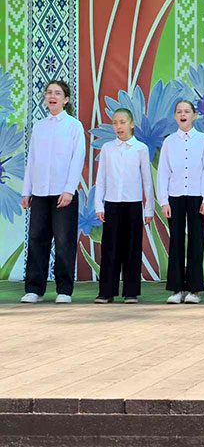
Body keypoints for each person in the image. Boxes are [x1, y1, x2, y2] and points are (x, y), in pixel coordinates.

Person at [20, 81, 86, 304]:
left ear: (66, 100)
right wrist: (26, 191)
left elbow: (77, 159)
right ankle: (34, 289)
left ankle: (64, 290)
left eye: (57, 93)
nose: (52, 96)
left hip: (63, 194)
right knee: (37, 239)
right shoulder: (39, 127)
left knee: (64, 242)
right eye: (49, 92)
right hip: (40, 192)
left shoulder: (74, 126)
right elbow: (32, 160)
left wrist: (69, 190)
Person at [157, 100, 204, 304]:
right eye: (179, 112)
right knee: (176, 242)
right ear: (175, 116)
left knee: (196, 241)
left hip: (198, 196)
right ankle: (176, 289)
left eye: (187, 111)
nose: (183, 115)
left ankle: (194, 289)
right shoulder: (169, 142)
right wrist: (163, 201)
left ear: (194, 115)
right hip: (175, 197)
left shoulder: (203, 140)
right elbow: (163, 172)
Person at [94, 108, 154, 304]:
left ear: (131, 124)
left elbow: (147, 181)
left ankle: (131, 292)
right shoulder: (107, 148)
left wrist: (149, 208)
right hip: (112, 204)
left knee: (132, 248)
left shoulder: (140, 149)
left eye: (122, 122)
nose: (118, 126)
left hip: (133, 204)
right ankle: (106, 292)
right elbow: (101, 178)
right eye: (115, 123)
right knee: (110, 249)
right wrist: (99, 205)